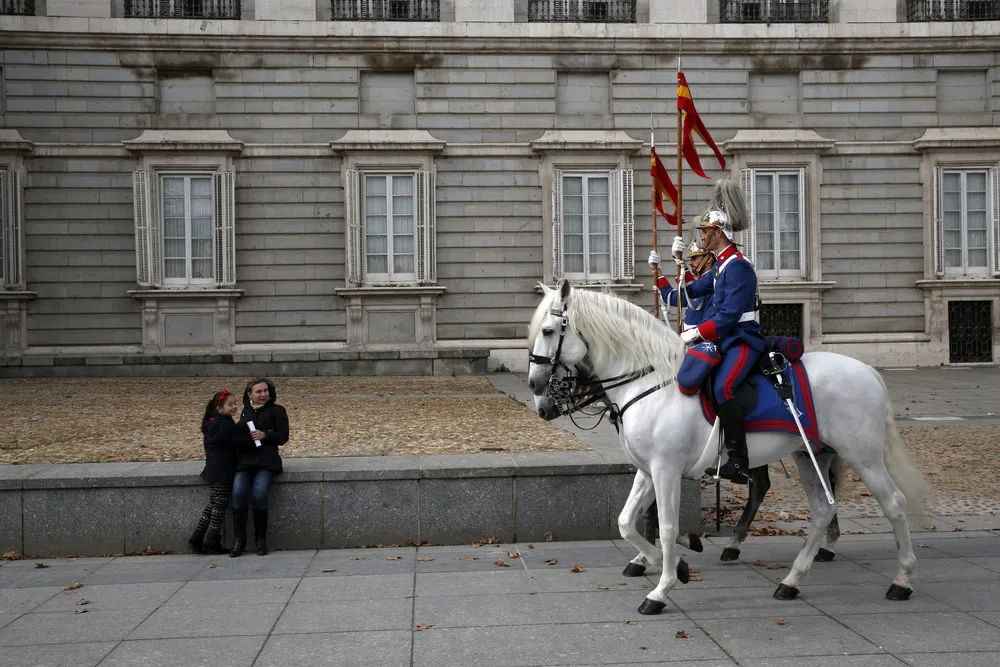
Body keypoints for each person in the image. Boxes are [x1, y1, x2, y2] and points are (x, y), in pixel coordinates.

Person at [648, 179, 765, 484]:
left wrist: (696, 333)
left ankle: (739, 460)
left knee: (724, 385)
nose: (699, 236)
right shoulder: (719, 268)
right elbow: (685, 293)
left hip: (742, 339)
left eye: (703, 231)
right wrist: (669, 267)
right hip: (725, 338)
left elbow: (727, 318)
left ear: (717, 233)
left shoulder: (738, 266)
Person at [189, 389, 253, 554]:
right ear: (219, 408)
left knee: (213, 503)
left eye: (235, 403)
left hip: (213, 469)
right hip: (222, 470)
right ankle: (211, 539)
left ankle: (197, 537)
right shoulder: (224, 424)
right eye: (230, 404)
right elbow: (238, 442)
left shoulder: (212, 421)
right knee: (220, 503)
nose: (234, 407)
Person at [231, 377, 289, 557]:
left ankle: (260, 539)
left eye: (266, 391)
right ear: (250, 395)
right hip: (245, 460)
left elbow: (283, 436)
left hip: (266, 461)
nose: (263, 394)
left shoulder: (278, 410)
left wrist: (265, 436)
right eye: (258, 391)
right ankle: (239, 540)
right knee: (238, 492)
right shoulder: (245, 412)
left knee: (259, 493)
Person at [653, 241, 716, 332]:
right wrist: (657, 269)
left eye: (694, 258)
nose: (690, 262)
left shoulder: (714, 283)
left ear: (709, 258)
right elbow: (670, 297)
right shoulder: (699, 285)